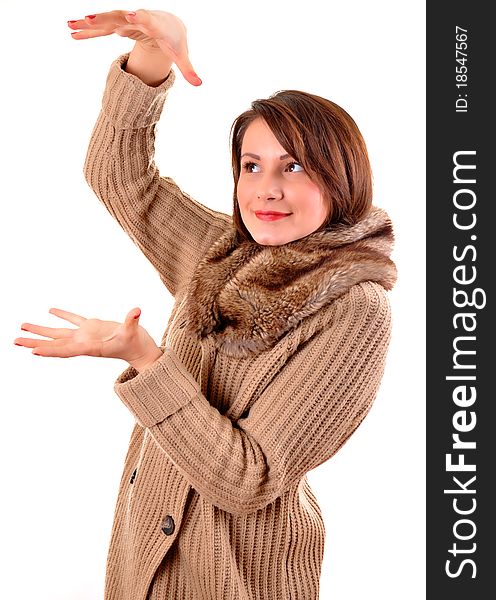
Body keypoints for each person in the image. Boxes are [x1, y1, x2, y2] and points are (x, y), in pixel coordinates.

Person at [14, 9, 397, 600]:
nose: (267, 187)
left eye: (293, 166)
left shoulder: (354, 307)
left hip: (238, 577)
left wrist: (147, 358)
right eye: (252, 165)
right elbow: (119, 178)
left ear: (340, 177)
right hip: (143, 564)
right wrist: (152, 57)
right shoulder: (219, 251)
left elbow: (248, 480)